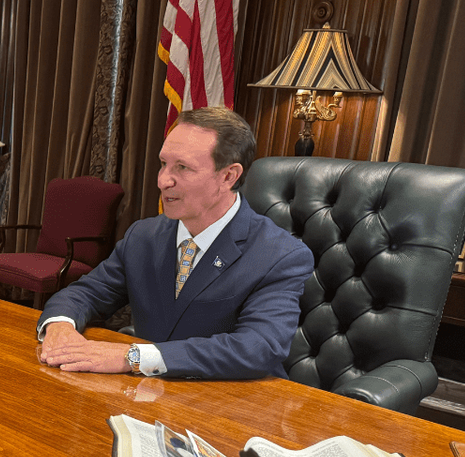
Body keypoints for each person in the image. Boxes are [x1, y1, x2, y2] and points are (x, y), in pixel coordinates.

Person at [37, 106, 313, 379]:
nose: (162, 181)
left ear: (228, 176)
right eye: (163, 163)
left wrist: (131, 357)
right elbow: (87, 293)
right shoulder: (143, 235)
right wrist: (60, 326)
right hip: (147, 394)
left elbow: (257, 347)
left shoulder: (280, 254)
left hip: (233, 397)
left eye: (183, 167)